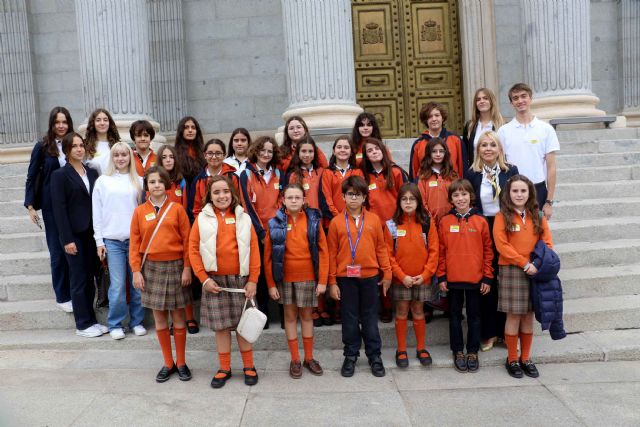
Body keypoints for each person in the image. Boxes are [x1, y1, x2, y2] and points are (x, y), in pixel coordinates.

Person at [188, 176, 261, 388]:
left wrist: (253, 280)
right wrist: (203, 279)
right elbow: (193, 250)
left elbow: (254, 250)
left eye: (226, 191)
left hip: (241, 281)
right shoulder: (201, 219)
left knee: (244, 326)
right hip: (215, 283)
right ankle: (224, 367)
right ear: (209, 196)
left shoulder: (244, 218)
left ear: (233, 194)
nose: (222, 196)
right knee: (221, 328)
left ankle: (249, 366)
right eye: (217, 192)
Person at [130, 166, 193, 383]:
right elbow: (135, 244)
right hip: (152, 268)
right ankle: (168, 362)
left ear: (166, 184)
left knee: (178, 316)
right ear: (146, 186)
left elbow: (188, 241)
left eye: (159, 181)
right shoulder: (139, 212)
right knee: (159, 317)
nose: (156, 185)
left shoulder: (177, 209)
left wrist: (187, 267)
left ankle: (182, 362)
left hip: (176, 266)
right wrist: (136, 271)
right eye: (151, 182)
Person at [327, 176, 392, 378]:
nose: (353, 198)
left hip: (370, 277)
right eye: (350, 194)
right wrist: (332, 281)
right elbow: (331, 254)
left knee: (370, 318)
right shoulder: (337, 222)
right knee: (349, 319)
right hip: (346, 278)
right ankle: (351, 355)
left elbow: (381, 248)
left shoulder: (373, 220)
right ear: (344, 197)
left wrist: (387, 272)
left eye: (358, 195)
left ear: (364, 197)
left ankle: (374, 356)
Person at [264, 183, 329, 378]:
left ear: (303, 200)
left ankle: (309, 357)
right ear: (283, 200)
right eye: (289, 197)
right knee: (290, 317)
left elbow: (324, 252)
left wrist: (323, 280)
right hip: (284, 279)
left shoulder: (313, 221)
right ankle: (295, 359)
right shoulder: (274, 222)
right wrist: (271, 284)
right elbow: (268, 257)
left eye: (297, 197)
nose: (293, 200)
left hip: (308, 277)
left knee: (307, 317)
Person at [493, 174, 553, 379]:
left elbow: (547, 243)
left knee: (528, 315)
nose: (519, 194)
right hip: (512, 269)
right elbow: (502, 245)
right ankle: (512, 358)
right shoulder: (502, 216)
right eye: (515, 191)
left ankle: (526, 358)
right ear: (508, 194)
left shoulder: (537, 215)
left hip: (535, 270)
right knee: (514, 315)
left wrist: (537, 264)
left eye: (523, 191)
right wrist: (524, 263)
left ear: (530, 193)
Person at [464, 131, 519, 351]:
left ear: (499, 149)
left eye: (492, 145)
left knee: (504, 279)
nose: (488, 149)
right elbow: (469, 201)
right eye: (484, 145)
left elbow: (518, 198)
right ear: (478, 150)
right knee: (486, 281)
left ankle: (505, 331)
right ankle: (488, 333)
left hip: (505, 227)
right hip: (482, 227)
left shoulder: (510, 171)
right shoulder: (472, 173)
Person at [50, 132, 106, 337]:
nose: (79, 149)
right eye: (74, 146)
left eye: (81, 145)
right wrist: (66, 240)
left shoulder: (91, 173)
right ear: (66, 150)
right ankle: (82, 324)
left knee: (91, 276)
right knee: (78, 278)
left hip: (92, 234)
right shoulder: (59, 176)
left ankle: (91, 320)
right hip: (73, 235)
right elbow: (59, 209)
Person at [437, 179, 493, 373]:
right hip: (452, 279)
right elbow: (441, 251)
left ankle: (472, 351)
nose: (460, 198)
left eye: (464, 194)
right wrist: (441, 276)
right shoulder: (445, 221)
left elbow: (488, 251)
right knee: (454, 316)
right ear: (451, 199)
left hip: (475, 279)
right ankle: (458, 350)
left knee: (475, 316)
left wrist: (487, 277)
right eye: (456, 195)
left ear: (471, 196)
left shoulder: (481, 221)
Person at [92, 142, 146, 340]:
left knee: (136, 283)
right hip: (112, 240)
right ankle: (115, 324)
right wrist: (99, 241)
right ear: (112, 158)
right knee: (117, 285)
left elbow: (143, 211)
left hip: (134, 240)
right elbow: (96, 213)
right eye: (117, 155)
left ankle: (137, 321)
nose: (121, 158)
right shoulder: (103, 182)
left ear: (130, 157)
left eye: (124, 155)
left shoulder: (138, 180)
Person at [383, 183, 438, 369]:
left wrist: (425, 274)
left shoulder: (426, 221)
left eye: (412, 199)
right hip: (401, 279)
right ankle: (401, 349)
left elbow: (434, 250)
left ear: (418, 201)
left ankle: (421, 347)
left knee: (418, 310)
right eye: (404, 199)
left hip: (422, 277)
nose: (408, 202)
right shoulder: (391, 224)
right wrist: (400, 275)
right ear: (399, 202)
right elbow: (387, 254)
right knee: (401, 311)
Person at [25, 106, 73, 312]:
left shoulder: (75, 143)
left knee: (74, 248)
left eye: (64, 122)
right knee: (57, 250)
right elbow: (32, 175)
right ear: (52, 124)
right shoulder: (43, 146)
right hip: (52, 204)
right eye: (57, 122)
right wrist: (30, 205)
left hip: (73, 203)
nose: (61, 126)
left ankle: (76, 290)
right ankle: (62, 296)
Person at [360, 137, 406, 322]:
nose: (374, 152)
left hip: (396, 224)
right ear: (366, 156)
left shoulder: (395, 172)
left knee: (401, 262)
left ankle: (407, 302)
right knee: (381, 266)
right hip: (375, 227)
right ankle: (386, 306)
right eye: (369, 150)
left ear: (383, 151)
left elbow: (405, 196)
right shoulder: (365, 176)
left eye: (376, 149)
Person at [497, 83, 559, 219]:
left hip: (538, 189)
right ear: (511, 103)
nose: (520, 101)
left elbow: (551, 168)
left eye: (523, 96)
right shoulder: (503, 131)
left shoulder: (546, 129)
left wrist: (549, 201)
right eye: (515, 98)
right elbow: (500, 164)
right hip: (512, 191)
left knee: (538, 234)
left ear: (530, 98)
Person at [239, 136, 283, 326]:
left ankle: (283, 314)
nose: (266, 154)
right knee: (260, 273)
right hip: (258, 233)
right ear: (255, 151)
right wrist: (261, 232)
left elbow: (282, 201)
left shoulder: (278, 174)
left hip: (277, 229)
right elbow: (247, 205)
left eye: (270, 151)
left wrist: (277, 225)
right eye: (262, 150)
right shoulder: (246, 174)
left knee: (279, 269)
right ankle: (262, 314)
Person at [409, 102, 464, 180]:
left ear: (443, 118)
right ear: (425, 120)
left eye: (437, 115)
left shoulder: (455, 140)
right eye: (430, 116)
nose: (434, 119)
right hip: (426, 190)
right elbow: (414, 173)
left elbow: (462, 168)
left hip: (452, 188)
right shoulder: (418, 144)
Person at [190, 139, 238, 219]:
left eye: (218, 153)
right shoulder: (198, 180)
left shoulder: (232, 178)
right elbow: (195, 209)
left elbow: (237, 204)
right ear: (205, 155)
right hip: (206, 224)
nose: (214, 157)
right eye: (210, 153)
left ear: (224, 155)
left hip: (229, 223)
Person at [416, 137, 458, 226]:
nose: (438, 154)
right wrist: (428, 218)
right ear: (429, 153)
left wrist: (452, 215)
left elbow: (457, 197)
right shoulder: (423, 176)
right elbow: (422, 201)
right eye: (434, 151)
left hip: (450, 221)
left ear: (445, 153)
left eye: (441, 151)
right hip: (430, 221)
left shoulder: (452, 175)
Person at [462, 88, 505, 169]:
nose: (482, 101)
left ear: (491, 102)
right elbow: (466, 154)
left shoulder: (502, 126)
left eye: (485, 98)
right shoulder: (469, 126)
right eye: (478, 99)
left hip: (497, 172)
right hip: (475, 172)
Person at [285, 136, 324, 210]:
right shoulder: (293, 175)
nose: (307, 155)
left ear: (315, 153)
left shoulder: (322, 172)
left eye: (310, 151)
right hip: (302, 217)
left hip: (321, 218)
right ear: (298, 153)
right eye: (303, 151)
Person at [84, 108, 120, 175]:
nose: (102, 123)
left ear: (109, 123)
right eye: (98, 120)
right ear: (93, 123)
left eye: (105, 120)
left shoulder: (117, 145)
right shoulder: (85, 146)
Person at [174, 116, 207, 189]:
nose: (190, 130)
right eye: (186, 127)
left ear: (197, 131)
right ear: (181, 131)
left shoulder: (205, 151)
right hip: (183, 191)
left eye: (193, 127)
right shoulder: (174, 153)